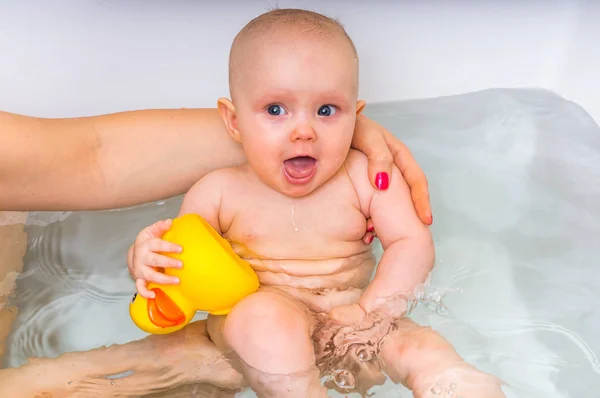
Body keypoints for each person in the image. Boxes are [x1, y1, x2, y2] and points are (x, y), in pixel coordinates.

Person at [129, 9, 505, 398]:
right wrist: (143, 260)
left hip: (352, 317)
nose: (304, 131)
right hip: (257, 334)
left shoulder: (365, 178)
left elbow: (411, 243)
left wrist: (371, 314)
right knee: (264, 318)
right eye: (276, 110)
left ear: (356, 117)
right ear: (234, 121)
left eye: (327, 111)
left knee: (425, 351)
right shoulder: (218, 191)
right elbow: (180, 267)